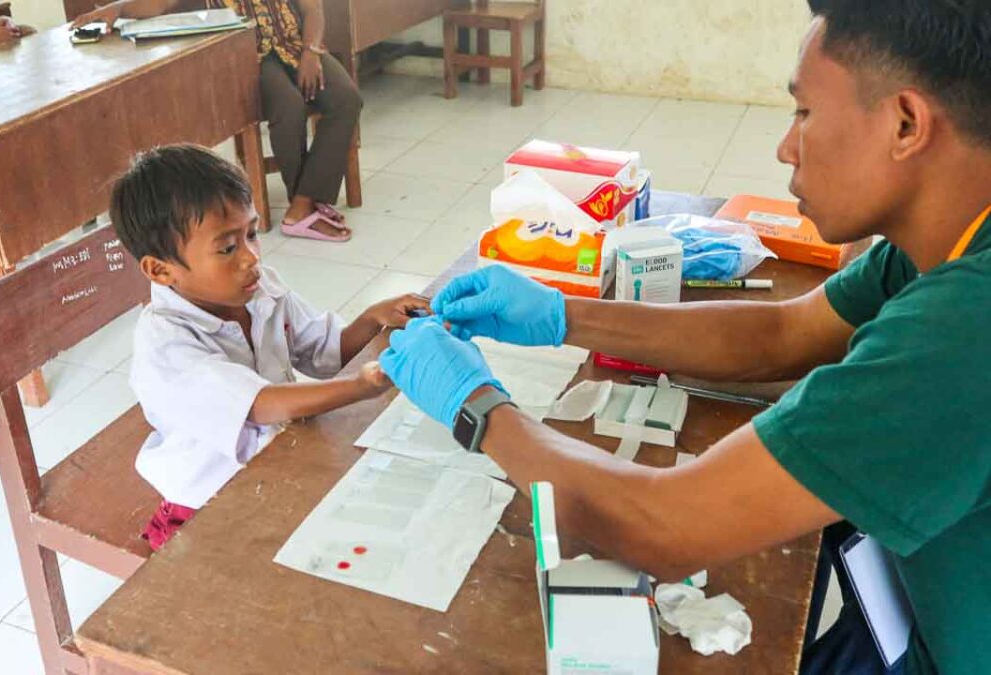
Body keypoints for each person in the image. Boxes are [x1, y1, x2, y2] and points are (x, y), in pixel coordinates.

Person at [378, 1, 991, 673]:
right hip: (915, 614)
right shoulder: (947, 235)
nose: (787, 146)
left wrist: (475, 405)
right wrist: (565, 314)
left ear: (906, 123)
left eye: (805, 113)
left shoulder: (963, 326)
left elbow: (666, 527)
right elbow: (785, 329)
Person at [109, 145, 427, 550]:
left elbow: (323, 349)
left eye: (252, 234)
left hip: (282, 454)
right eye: (227, 248)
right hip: (211, 499)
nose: (251, 258)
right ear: (161, 270)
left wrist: (372, 318)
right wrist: (363, 386)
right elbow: (258, 405)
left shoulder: (260, 288)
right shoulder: (166, 345)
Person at [73, 0, 360, 243]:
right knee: (288, 106)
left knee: (347, 99)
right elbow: (158, 3)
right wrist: (119, 8)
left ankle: (303, 201)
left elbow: (314, 9)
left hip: (297, 43)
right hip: (248, 57)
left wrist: (312, 52)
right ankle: (303, 207)